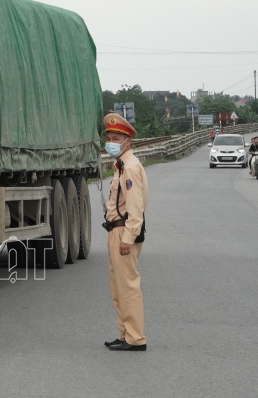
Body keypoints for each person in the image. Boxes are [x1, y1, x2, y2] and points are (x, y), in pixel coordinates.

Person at [101, 113, 148, 352]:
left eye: (116, 137)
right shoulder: (120, 165)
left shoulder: (129, 167)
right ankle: (124, 333)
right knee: (118, 287)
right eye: (109, 137)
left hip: (123, 232)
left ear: (127, 140)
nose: (111, 141)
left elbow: (136, 207)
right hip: (116, 231)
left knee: (127, 287)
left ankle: (135, 338)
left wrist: (128, 237)